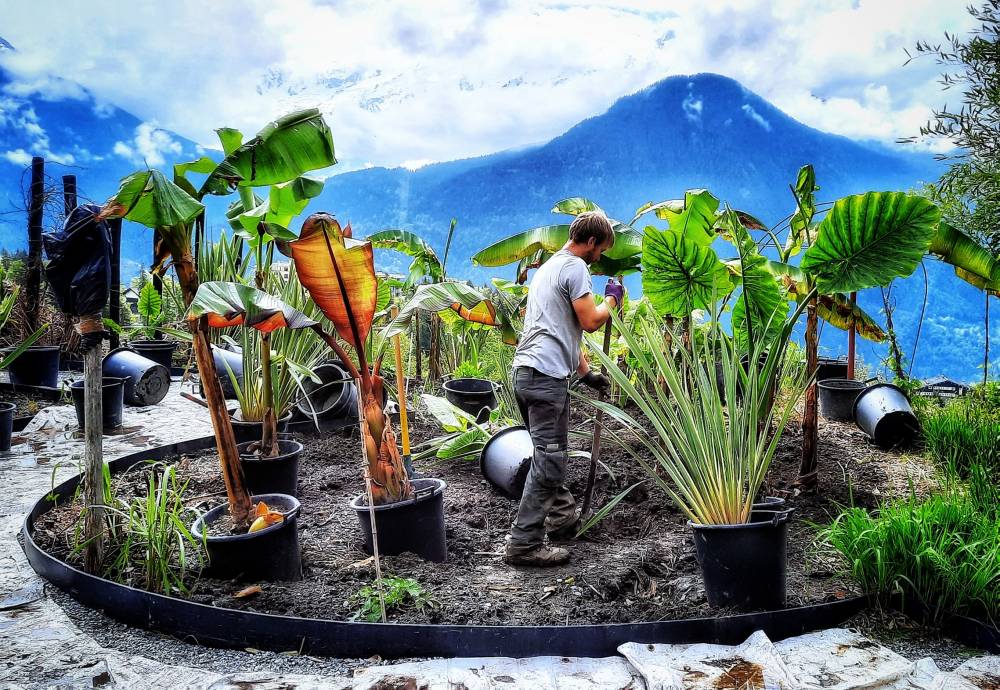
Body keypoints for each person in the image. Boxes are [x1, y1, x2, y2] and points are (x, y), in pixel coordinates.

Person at [504, 210, 624, 567]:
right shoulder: (575, 267)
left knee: (548, 454)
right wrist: (612, 301)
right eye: (600, 248)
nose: (599, 256)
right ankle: (523, 544)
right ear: (590, 242)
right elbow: (588, 321)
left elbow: (559, 331)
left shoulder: (548, 269)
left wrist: (586, 374)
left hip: (527, 374)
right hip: (544, 378)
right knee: (550, 462)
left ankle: (563, 519)